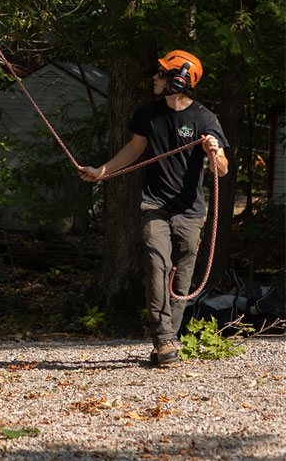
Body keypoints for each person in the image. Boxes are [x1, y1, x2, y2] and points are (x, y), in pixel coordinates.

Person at [79, 49, 229, 366]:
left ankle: (167, 339)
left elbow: (223, 169)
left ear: (179, 80)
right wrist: (102, 171)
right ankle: (163, 339)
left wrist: (214, 151)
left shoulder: (204, 118)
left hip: (190, 212)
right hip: (155, 206)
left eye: (161, 73)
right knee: (157, 265)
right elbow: (134, 149)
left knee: (182, 280)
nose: (154, 77)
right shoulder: (148, 113)